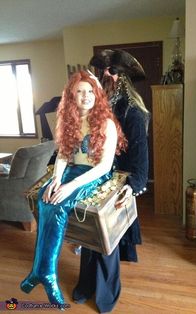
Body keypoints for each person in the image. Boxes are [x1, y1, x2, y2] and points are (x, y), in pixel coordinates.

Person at [20, 70, 126, 309]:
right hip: (72, 172)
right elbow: (64, 155)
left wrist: (68, 187)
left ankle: (45, 274)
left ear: (97, 94)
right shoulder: (70, 120)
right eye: (79, 91)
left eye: (90, 91)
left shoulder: (106, 123)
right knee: (45, 198)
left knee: (59, 205)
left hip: (95, 176)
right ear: (71, 96)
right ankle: (40, 270)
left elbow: (103, 167)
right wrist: (56, 179)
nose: (85, 96)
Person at [72, 49, 149, 312]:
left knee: (106, 240)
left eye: (112, 71)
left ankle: (106, 295)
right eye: (104, 72)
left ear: (123, 78)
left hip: (115, 181)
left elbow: (140, 154)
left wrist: (133, 184)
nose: (106, 76)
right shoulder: (95, 107)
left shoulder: (133, 113)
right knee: (86, 234)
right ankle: (86, 285)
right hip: (89, 176)